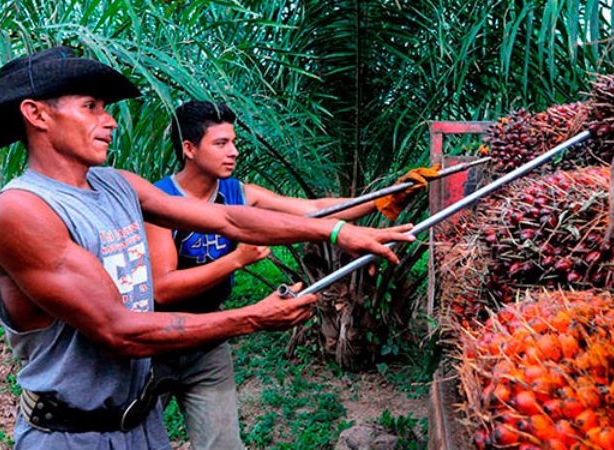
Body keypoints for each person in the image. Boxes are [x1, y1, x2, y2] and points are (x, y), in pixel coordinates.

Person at [0, 46, 415, 450]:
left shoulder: (116, 184)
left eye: (106, 108)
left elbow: (227, 217)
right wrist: (250, 317)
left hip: (140, 421)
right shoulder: (21, 211)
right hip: (70, 435)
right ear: (37, 114)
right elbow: (119, 330)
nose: (109, 120)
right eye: (91, 107)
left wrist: (338, 233)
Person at [145, 100, 438, 450]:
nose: (234, 152)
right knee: (137, 440)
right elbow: (164, 290)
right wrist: (236, 260)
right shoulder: (159, 200)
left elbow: (317, 211)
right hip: (156, 342)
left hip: (210, 340)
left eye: (234, 142)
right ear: (189, 149)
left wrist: (388, 196)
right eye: (221, 144)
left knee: (223, 445)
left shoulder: (240, 194)